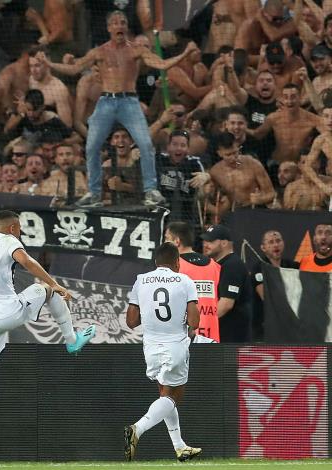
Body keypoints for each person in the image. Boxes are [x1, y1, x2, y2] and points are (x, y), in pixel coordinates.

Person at [0, 210, 96, 449]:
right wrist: (55, 283)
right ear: (12, 228)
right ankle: (71, 340)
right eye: (19, 228)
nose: (20, 232)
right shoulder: (10, 241)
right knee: (47, 291)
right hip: (7, 313)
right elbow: (26, 261)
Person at [41, 11, 200, 207]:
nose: (120, 26)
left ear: (126, 28)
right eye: (115, 23)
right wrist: (49, 63)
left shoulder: (136, 50)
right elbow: (74, 69)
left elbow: (162, 64)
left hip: (129, 102)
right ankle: (94, 193)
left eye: (123, 22)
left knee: (145, 144)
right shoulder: (99, 52)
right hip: (106, 101)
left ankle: (151, 190)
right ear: (109, 28)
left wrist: (185, 53)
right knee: (91, 146)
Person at [124, 242, 201, 462]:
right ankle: (137, 429)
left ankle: (180, 447)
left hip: (150, 347)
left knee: (164, 395)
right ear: (177, 262)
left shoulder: (141, 280)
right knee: (174, 396)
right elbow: (194, 322)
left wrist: (150, 313)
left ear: (156, 262)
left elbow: (131, 321)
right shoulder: (185, 280)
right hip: (175, 345)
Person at [165, 221, 221, 342]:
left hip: (184, 337)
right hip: (211, 335)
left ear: (177, 241)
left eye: (166, 238)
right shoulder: (214, 265)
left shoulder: (173, 266)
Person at [201, 224, 253, 343]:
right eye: (205, 241)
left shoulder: (232, 265)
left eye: (210, 241)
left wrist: (203, 324)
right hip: (223, 336)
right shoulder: (220, 265)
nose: (205, 245)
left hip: (232, 339)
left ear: (224, 243)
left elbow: (226, 304)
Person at [251, 230, 299, 341]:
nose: (276, 245)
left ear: (283, 243)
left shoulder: (292, 266)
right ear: (263, 248)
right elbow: (267, 298)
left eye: (278, 241)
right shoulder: (259, 268)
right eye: (271, 242)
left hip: (288, 327)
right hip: (264, 328)